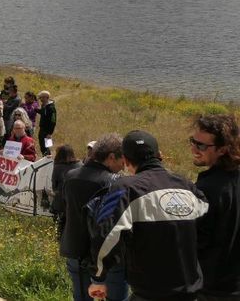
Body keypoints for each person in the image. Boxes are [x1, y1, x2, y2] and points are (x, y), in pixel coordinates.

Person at [89, 130, 209, 301]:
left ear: (126, 161)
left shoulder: (126, 189)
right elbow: (208, 230)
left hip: (151, 292)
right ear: (159, 155)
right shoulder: (187, 186)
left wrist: (98, 278)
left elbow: (105, 235)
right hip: (192, 291)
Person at [59, 133, 126, 301]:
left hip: (75, 249)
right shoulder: (115, 181)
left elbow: (61, 208)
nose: (124, 165)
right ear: (111, 157)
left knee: (81, 297)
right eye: (122, 159)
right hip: (107, 256)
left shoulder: (70, 176)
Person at [192, 113, 240, 301]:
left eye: (201, 146)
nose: (194, 149)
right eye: (193, 141)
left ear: (223, 149)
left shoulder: (206, 189)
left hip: (214, 288)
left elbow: (194, 240)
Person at [50, 144, 80, 234]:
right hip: (76, 201)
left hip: (61, 202)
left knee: (60, 227)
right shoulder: (80, 165)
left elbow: (54, 186)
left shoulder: (58, 167)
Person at [37, 91, 57, 156]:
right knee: (43, 146)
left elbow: (53, 121)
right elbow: (43, 113)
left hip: (47, 131)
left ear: (47, 97)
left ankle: (48, 159)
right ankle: (45, 158)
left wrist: (50, 133)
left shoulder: (51, 107)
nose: (41, 99)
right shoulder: (44, 106)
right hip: (42, 129)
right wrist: (35, 109)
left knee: (46, 147)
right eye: (40, 98)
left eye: (42, 97)